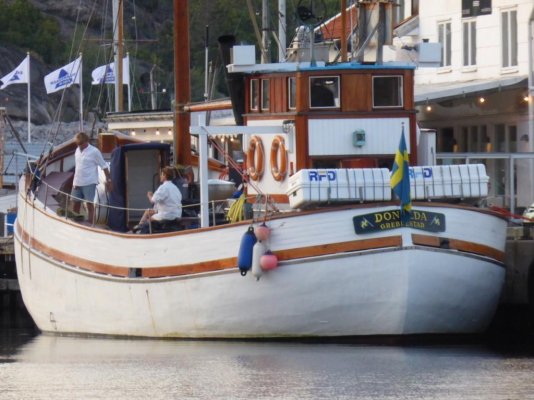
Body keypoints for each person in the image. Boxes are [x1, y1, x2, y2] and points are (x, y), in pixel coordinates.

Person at [71, 132, 112, 223]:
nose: (79, 146)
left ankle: (90, 223)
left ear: (87, 141)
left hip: (89, 182)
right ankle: (76, 222)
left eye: (81, 144)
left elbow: (104, 166)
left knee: (90, 204)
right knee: (75, 204)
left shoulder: (94, 151)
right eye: (78, 144)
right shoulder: (77, 150)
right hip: (77, 181)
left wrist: (108, 179)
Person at [134, 166, 182, 232]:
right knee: (148, 211)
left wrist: (149, 195)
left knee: (148, 221)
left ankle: (141, 230)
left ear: (165, 175)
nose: (160, 176)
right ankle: (139, 227)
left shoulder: (163, 187)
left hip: (167, 215)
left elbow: (152, 201)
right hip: (176, 214)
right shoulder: (176, 188)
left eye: (161, 174)